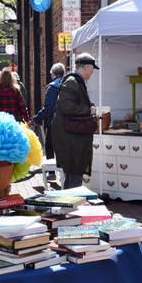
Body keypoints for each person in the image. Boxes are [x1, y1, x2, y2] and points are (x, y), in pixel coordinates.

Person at [52, 53, 99, 189]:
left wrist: (89, 106)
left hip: (73, 135)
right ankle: (73, 204)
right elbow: (66, 105)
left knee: (74, 172)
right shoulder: (72, 82)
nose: (92, 72)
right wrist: (88, 110)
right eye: (92, 69)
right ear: (86, 67)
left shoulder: (76, 81)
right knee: (74, 171)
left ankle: (71, 203)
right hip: (71, 137)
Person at [33, 62, 66, 159]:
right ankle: (63, 170)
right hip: (67, 121)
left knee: (49, 146)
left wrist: (36, 118)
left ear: (54, 74)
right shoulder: (67, 84)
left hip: (54, 122)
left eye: (51, 74)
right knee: (62, 146)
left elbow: (48, 107)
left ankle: (51, 172)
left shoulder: (52, 87)